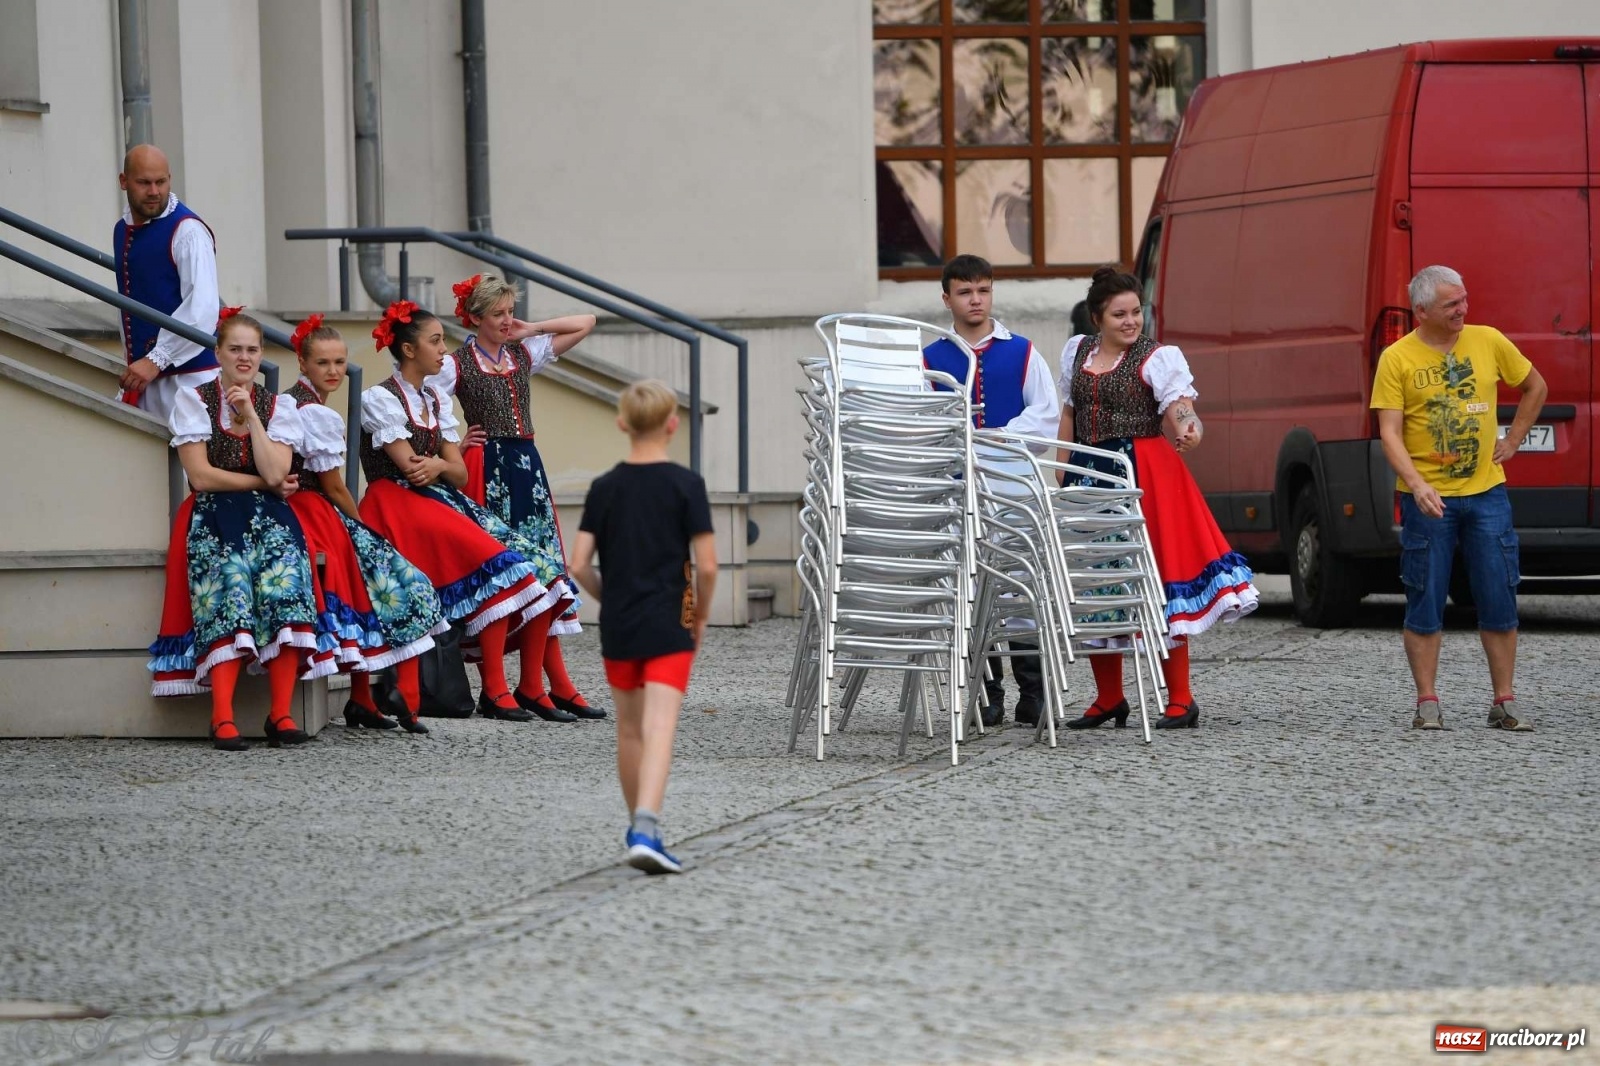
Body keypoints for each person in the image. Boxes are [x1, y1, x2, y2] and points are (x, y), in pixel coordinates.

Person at [1056, 267, 1258, 731]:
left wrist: (1191, 429)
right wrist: (1061, 472)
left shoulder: (1156, 358)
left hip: (1145, 476)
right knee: (1095, 582)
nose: (1131, 321)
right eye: (1119, 314)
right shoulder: (1077, 352)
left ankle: (1181, 699)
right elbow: (1070, 414)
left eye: (1136, 312)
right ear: (1097, 317)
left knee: (1155, 577)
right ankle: (1109, 697)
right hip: (1090, 477)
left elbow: (1180, 410)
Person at [356, 301, 562, 724]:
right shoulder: (379, 398)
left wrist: (438, 466)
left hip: (437, 499)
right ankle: (496, 690)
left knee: (540, 565)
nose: (443, 350)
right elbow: (410, 469)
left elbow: (457, 470)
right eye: (435, 342)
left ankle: (528, 688)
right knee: (500, 563)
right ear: (409, 351)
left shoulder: (433, 399)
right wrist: (436, 466)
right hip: (394, 504)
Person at [1371, 265, 1548, 732]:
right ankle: (1427, 702)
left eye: (1464, 300)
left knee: (1499, 595)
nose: (1463, 310)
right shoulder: (1397, 358)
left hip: (1487, 494)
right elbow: (1388, 433)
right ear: (1422, 310)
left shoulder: (1488, 340)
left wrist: (1514, 440)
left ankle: (1504, 701)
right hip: (1427, 499)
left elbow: (1535, 386)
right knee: (1424, 599)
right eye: (1452, 305)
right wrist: (1418, 483)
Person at [146, 309, 317, 749]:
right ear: (218, 352)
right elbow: (201, 477)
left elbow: (280, 468)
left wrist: (252, 417)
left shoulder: (278, 406)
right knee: (230, 585)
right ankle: (221, 716)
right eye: (235, 349)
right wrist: (265, 483)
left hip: (269, 516)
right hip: (214, 513)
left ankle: (279, 714)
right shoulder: (193, 397)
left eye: (252, 350)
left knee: (286, 583)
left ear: (262, 355)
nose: (244, 358)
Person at [433, 274, 599, 721]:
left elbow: (587, 321)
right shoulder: (456, 364)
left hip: (527, 467)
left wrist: (532, 327)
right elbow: (426, 406)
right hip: (489, 470)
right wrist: (456, 445)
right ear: (474, 318)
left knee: (544, 570)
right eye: (498, 314)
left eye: (510, 312)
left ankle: (545, 683)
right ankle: (502, 685)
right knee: (503, 574)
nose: (507, 321)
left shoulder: (523, 353)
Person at [569, 380, 717, 875]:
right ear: (673, 424)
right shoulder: (686, 485)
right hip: (670, 618)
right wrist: (701, 615)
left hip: (620, 622)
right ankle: (646, 829)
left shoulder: (604, 487)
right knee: (661, 726)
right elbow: (710, 566)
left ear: (622, 423)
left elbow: (578, 563)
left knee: (630, 730)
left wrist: (607, 597)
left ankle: (639, 826)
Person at [283, 314, 448, 734]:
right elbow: (335, 488)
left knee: (385, 582)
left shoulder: (303, 404)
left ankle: (365, 698)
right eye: (323, 363)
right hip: (312, 511)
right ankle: (403, 702)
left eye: (339, 362)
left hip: (313, 508)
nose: (335, 371)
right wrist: (363, 530)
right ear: (302, 363)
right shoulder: (307, 411)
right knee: (401, 580)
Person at [922, 254, 1059, 728]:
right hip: (958, 491)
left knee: (1018, 585)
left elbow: (1045, 412)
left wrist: (1004, 436)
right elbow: (920, 425)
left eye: (982, 290)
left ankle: (1033, 691)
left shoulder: (1021, 351)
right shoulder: (930, 358)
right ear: (947, 298)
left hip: (1010, 486)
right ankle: (987, 693)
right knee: (969, 588)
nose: (975, 299)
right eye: (965, 291)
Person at [113, 145, 221, 423]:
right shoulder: (122, 229)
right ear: (124, 181)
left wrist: (156, 359)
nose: (153, 191)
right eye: (144, 182)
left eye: (161, 182)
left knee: (189, 465)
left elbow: (203, 308)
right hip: (146, 379)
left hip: (189, 379)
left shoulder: (188, 232)